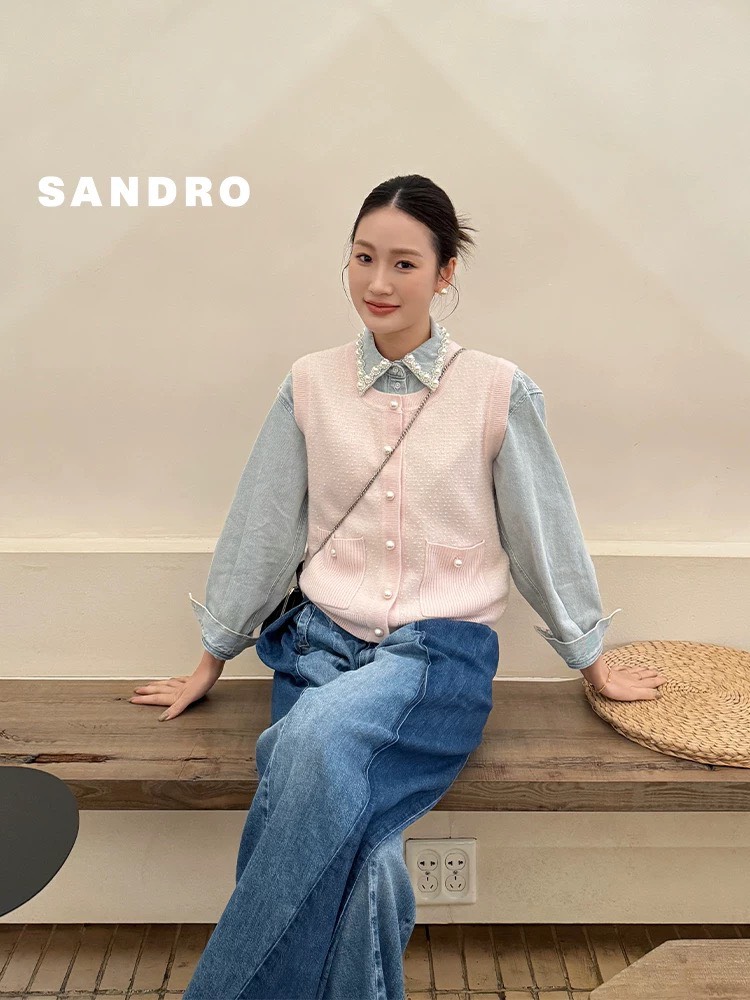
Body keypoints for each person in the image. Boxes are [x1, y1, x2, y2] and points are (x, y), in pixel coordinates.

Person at [130, 174, 667, 999]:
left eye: (405, 264)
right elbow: (263, 526)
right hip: (318, 649)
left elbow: (543, 534)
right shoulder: (309, 384)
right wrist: (213, 656)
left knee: (306, 746)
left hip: (438, 660)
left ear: (445, 273)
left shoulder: (496, 390)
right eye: (363, 257)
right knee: (369, 857)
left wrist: (590, 658)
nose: (378, 282)